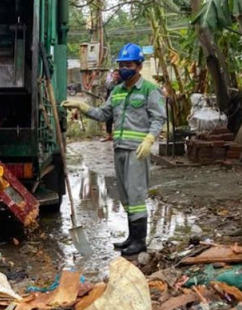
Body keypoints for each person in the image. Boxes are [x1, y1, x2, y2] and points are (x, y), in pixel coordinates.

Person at [61, 43, 166, 256]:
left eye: (128, 64)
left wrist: (149, 140)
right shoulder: (117, 91)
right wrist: (82, 107)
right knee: (125, 195)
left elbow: (158, 118)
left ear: (138, 66)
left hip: (137, 150)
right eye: (121, 65)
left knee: (136, 195)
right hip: (119, 149)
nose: (123, 68)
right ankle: (131, 237)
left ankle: (140, 241)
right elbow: (103, 114)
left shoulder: (149, 90)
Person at [101, 69, 119, 142]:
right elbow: (107, 95)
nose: (116, 76)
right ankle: (109, 135)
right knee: (108, 120)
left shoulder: (122, 84)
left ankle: (118, 136)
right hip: (110, 105)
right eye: (115, 74)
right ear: (112, 75)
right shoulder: (110, 84)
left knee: (118, 121)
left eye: (118, 74)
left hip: (118, 106)